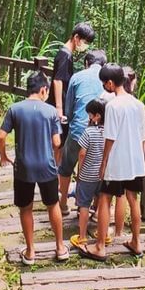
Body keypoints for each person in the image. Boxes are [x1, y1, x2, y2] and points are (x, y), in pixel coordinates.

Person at [0, 71, 69, 264]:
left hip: (23, 168)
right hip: (47, 166)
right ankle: (60, 247)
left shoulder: (15, 109)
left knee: (26, 208)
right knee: (52, 204)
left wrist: (4, 156)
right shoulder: (51, 111)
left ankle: (30, 252)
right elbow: (56, 142)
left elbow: (1, 136)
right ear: (44, 90)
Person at [84, 63, 145, 261]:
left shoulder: (112, 106)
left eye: (104, 83)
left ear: (110, 83)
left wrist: (103, 163)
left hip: (117, 161)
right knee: (133, 199)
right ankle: (136, 242)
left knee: (104, 198)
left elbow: (109, 137)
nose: (104, 86)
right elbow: (144, 135)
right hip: (135, 161)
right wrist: (140, 160)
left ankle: (100, 246)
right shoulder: (138, 104)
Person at [59, 48, 107, 213]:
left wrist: (72, 124)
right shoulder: (108, 80)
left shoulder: (77, 77)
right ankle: (93, 206)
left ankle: (63, 203)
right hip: (101, 133)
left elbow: (69, 107)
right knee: (97, 168)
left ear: (87, 63)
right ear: (104, 64)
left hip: (78, 129)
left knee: (66, 167)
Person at [69, 99, 107, 251]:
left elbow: (82, 153)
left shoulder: (88, 132)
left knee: (84, 204)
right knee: (103, 202)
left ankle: (83, 236)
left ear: (97, 116)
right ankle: (102, 234)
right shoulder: (109, 131)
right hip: (103, 175)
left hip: (87, 175)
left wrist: (79, 171)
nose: (88, 117)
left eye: (90, 114)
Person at [47, 22, 96, 131]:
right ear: (76, 37)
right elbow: (58, 81)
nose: (85, 46)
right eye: (85, 42)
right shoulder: (66, 55)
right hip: (58, 105)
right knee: (58, 140)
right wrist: (59, 109)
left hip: (58, 102)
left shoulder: (65, 53)